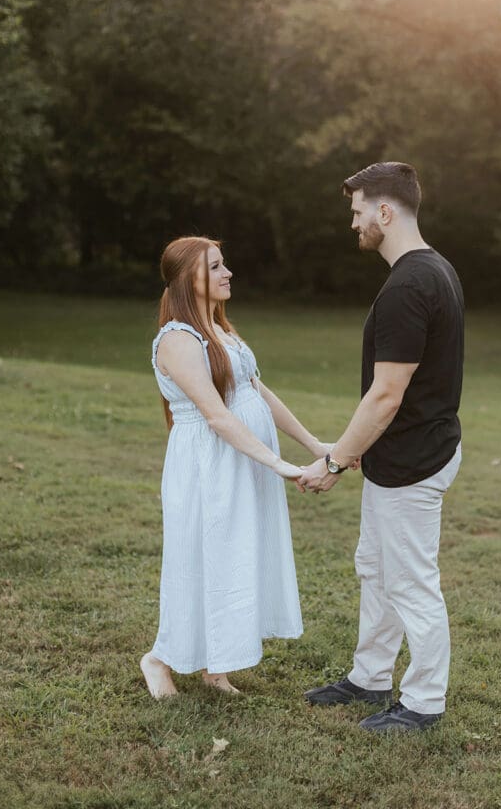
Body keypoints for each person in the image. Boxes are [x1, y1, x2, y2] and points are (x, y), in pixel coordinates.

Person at [298, 162, 464, 734]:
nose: (354, 223)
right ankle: (369, 675)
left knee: (411, 581)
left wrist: (334, 460)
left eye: (357, 211)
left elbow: (386, 395)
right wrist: (358, 451)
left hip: (414, 462)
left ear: (384, 212)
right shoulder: (435, 269)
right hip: (403, 454)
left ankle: (423, 703)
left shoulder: (410, 284)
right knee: (376, 568)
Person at [140, 236, 329, 698]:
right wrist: (280, 464)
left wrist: (313, 443)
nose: (228, 273)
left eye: (225, 264)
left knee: (234, 557)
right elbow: (217, 416)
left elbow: (256, 393)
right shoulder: (179, 339)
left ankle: (216, 667)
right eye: (217, 267)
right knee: (198, 560)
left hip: (242, 463)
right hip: (210, 465)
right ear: (190, 280)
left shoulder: (221, 329)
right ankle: (160, 658)